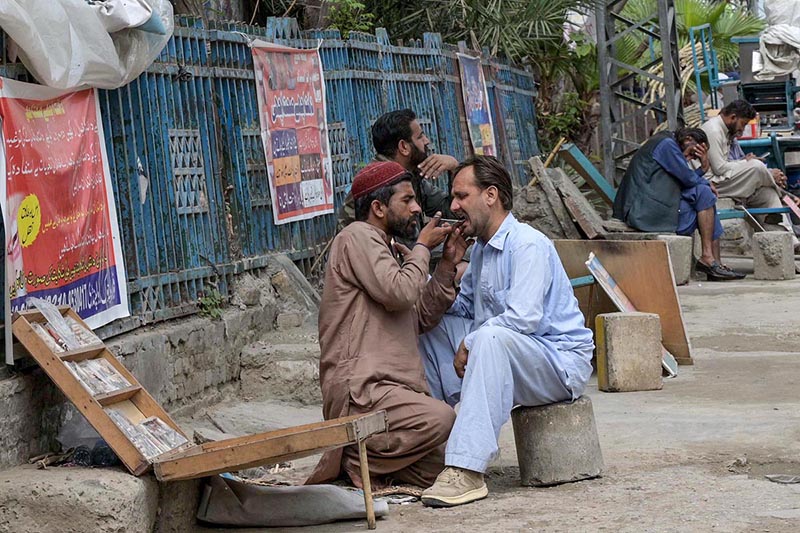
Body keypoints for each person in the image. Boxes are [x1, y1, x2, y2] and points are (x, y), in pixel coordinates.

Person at [417, 156, 595, 507]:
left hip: (558, 364)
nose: (453, 206)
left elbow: (524, 319)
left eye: (461, 196)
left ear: (491, 196)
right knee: (431, 327)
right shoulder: (482, 249)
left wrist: (471, 340)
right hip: (512, 355)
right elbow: (463, 308)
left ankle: (467, 470)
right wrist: (438, 267)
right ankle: (442, 436)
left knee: (488, 336)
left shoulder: (527, 244)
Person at [306, 160, 470, 490]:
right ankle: (352, 455)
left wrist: (447, 264)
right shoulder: (356, 237)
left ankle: (369, 469)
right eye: (407, 200)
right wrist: (422, 248)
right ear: (379, 207)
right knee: (443, 419)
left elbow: (419, 315)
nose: (416, 208)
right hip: (364, 389)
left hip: (394, 390)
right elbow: (399, 291)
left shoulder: (389, 248)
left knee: (450, 464)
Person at [613, 128, 745, 281]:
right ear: (688, 138)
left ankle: (713, 261)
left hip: (652, 204)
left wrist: (703, 178)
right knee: (705, 193)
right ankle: (711, 260)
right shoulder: (667, 145)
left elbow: (685, 179)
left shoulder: (669, 143)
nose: (688, 159)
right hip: (642, 212)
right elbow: (688, 179)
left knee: (705, 196)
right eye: (690, 153)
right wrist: (703, 169)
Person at [337, 108, 460, 229]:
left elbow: (453, 212)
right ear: (403, 147)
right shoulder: (376, 184)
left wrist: (455, 169)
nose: (426, 141)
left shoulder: (409, 176)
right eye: (420, 136)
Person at [701, 99, 799, 244]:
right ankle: (784, 192)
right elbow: (719, 168)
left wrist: (745, 163)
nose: (743, 128)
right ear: (733, 117)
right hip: (714, 183)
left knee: (767, 194)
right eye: (743, 124)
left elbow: (734, 163)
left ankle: (789, 240)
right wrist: (747, 164)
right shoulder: (714, 130)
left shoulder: (729, 133)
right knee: (757, 167)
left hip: (729, 180)